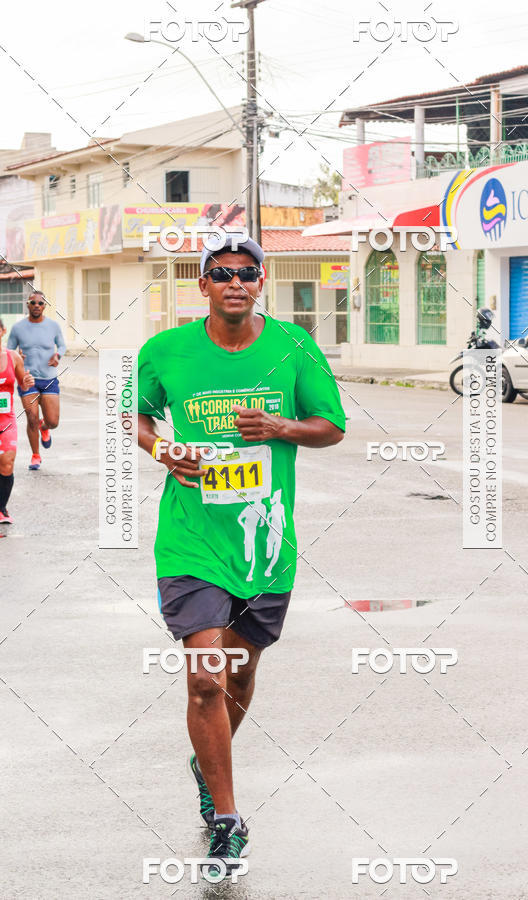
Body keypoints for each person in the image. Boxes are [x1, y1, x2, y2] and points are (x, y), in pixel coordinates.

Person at [137, 235, 345, 877]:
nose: (235, 281)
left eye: (247, 272)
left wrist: (281, 428)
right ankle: (227, 819)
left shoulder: (293, 347)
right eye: (221, 272)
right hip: (190, 540)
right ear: (202, 284)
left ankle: (207, 761)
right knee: (207, 676)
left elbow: (332, 425)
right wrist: (165, 449)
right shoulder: (164, 351)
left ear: (261, 283)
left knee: (241, 673)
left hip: (264, 544)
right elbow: (133, 418)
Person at [7, 291, 66, 470]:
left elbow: (62, 345)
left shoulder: (53, 326)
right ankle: (35, 455)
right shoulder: (18, 328)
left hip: (49, 379)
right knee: (32, 418)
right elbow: (9, 350)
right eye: (33, 302)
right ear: (28, 304)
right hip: (27, 379)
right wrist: (17, 355)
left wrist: (58, 355)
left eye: (40, 303)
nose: (36, 306)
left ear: (44, 306)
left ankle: (45, 427)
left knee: (53, 422)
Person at [0, 317, 34, 525]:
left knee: (7, 462)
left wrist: (27, 381)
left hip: (6, 420)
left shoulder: (13, 357)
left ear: (3, 331)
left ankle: (1, 508)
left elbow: (23, 383)